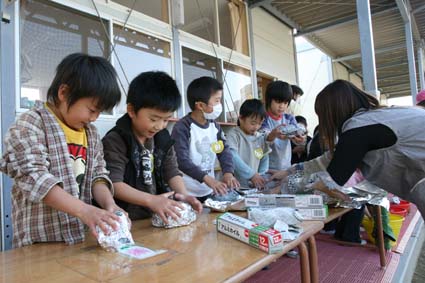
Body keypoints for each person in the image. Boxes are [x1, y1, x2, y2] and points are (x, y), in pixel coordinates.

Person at [0, 53, 123, 248]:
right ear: (64, 93)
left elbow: (98, 175)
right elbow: (35, 178)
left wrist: (110, 205)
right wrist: (85, 211)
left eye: (100, 113)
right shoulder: (30, 124)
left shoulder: (90, 133)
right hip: (41, 240)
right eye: (92, 110)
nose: (94, 118)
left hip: (79, 237)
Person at [272, 79, 425, 219]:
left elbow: (329, 183)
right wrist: (288, 172)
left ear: (331, 113)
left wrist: (285, 187)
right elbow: (327, 159)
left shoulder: (358, 129)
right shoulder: (371, 120)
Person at [102, 71, 202, 222]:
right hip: (127, 218)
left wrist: (183, 195)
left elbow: (172, 171)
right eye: (153, 119)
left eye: (166, 120)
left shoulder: (163, 138)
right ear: (131, 110)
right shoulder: (116, 140)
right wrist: (151, 200)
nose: (159, 126)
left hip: (154, 216)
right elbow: (114, 183)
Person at [171, 76, 239, 202]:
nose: (220, 105)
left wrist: (228, 172)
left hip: (209, 190)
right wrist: (208, 179)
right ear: (201, 105)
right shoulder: (183, 127)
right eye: (217, 101)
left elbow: (223, 151)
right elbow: (181, 160)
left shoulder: (215, 126)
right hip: (187, 192)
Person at [261, 81, 305, 170]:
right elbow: (262, 140)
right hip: (267, 168)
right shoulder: (263, 119)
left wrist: (299, 140)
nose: (282, 106)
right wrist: (273, 134)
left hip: (286, 166)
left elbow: (296, 135)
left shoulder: (289, 118)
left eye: (285, 103)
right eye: (278, 102)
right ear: (269, 100)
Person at [226, 99, 270, 188]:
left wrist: (260, 176)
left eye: (260, 124)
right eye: (253, 123)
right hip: (237, 186)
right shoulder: (233, 135)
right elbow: (232, 156)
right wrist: (252, 175)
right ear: (241, 118)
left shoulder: (260, 137)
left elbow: (264, 158)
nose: (256, 127)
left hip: (254, 186)